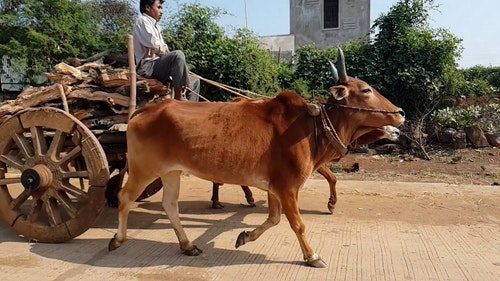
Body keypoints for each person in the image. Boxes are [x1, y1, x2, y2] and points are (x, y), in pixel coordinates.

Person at [133, 0, 199, 101]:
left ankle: (190, 110)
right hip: (148, 67)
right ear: (148, 8)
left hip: (158, 65)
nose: (162, 11)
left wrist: (184, 71)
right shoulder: (142, 21)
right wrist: (169, 55)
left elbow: (163, 49)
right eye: (159, 7)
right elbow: (155, 45)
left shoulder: (156, 26)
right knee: (178, 55)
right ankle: (178, 99)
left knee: (195, 81)